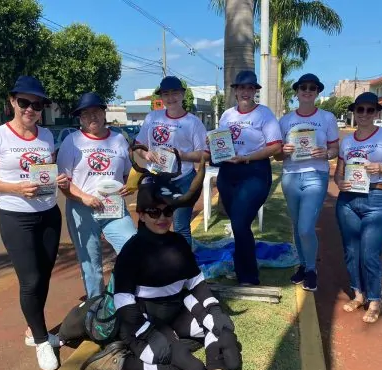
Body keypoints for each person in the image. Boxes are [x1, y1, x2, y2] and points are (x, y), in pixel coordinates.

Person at [76, 162, 250, 370]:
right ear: (141, 214)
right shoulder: (132, 250)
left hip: (175, 314)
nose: (162, 218)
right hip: (141, 322)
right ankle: (119, 361)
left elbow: (195, 283)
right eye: (154, 212)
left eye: (168, 212)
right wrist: (147, 333)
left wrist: (214, 311)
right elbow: (124, 301)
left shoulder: (178, 242)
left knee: (223, 332)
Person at [0, 75, 69, 370]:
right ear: (13, 102)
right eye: (24, 102)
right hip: (16, 216)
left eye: (36, 104)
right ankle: (41, 341)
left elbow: (44, 174)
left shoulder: (46, 136)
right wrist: (15, 187)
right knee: (30, 280)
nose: (30, 109)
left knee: (44, 274)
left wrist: (57, 180)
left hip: (49, 213)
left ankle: (32, 329)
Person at [334, 92, 382, 323]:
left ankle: (374, 300)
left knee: (370, 254)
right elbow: (338, 172)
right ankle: (358, 294)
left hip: (377, 199)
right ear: (354, 112)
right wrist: (339, 182)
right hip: (348, 200)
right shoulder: (346, 141)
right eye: (360, 110)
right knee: (351, 252)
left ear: (376, 112)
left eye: (369, 110)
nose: (364, 114)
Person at [57, 92, 137, 300]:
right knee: (90, 263)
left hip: (114, 207)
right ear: (80, 119)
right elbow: (64, 182)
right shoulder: (71, 142)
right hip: (82, 208)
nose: (91, 117)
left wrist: (131, 186)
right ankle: (96, 305)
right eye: (85, 114)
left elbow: (129, 173)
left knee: (133, 248)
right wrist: (83, 197)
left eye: (96, 111)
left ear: (104, 113)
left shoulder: (119, 140)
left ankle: (122, 295)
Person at [216, 70, 282, 286]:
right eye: (241, 88)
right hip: (228, 172)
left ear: (255, 91)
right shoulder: (226, 115)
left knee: (240, 222)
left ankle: (249, 276)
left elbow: (275, 146)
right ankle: (240, 267)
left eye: (250, 88)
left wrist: (247, 157)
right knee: (237, 224)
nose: (246, 92)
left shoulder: (264, 114)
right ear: (235, 91)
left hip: (254, 171)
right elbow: (220, 142)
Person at [277, 73, 339, 291]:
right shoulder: (285, 120)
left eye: (312, 87)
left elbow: (334, 149)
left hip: (315, 174)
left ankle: (312, 269)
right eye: (303, 87)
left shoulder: (327, 118)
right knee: (296, 225)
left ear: (317, 92)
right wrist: (282, 151)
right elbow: (277, 155)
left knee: (305, 227)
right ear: (297, 91)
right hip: (291, 176)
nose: (307, 90)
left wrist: (326, 153)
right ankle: (303, 266)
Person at [135, 76, 208, 245]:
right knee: (151, 223)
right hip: (155, 180)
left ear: (182, 94)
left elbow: (205, 155)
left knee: (181, 227)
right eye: (166, 94)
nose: (171, 97)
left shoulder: (193, 123)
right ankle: (156, 264)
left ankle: (185, 267)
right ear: (161, 97)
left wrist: (182, 155)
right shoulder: (152, 117)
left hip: (183, 181)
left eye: (175, 93)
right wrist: (146, 154)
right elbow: (138, 145)